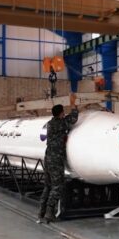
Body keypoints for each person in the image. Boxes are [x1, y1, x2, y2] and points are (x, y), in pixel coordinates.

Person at [37, 94, 78, 223]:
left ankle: (41, 211)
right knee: (57, 186)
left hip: (48, 156)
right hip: (56, 159)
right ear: (61, 113)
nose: (64, 114)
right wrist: (74, 104)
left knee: (48, 186)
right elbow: (73, 118)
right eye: (63, 112)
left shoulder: (50, 123)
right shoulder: (60, 123)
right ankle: (49, 213)